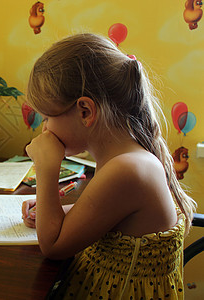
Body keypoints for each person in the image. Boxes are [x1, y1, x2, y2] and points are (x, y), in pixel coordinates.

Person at [21, 33, 196, 299]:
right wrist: (55, 210)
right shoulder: (123, 157)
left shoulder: (127, 169)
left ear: (85, 112)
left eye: (48, 117)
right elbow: (108, 213)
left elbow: (53, 245)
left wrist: (46, 167)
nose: (44, 128)